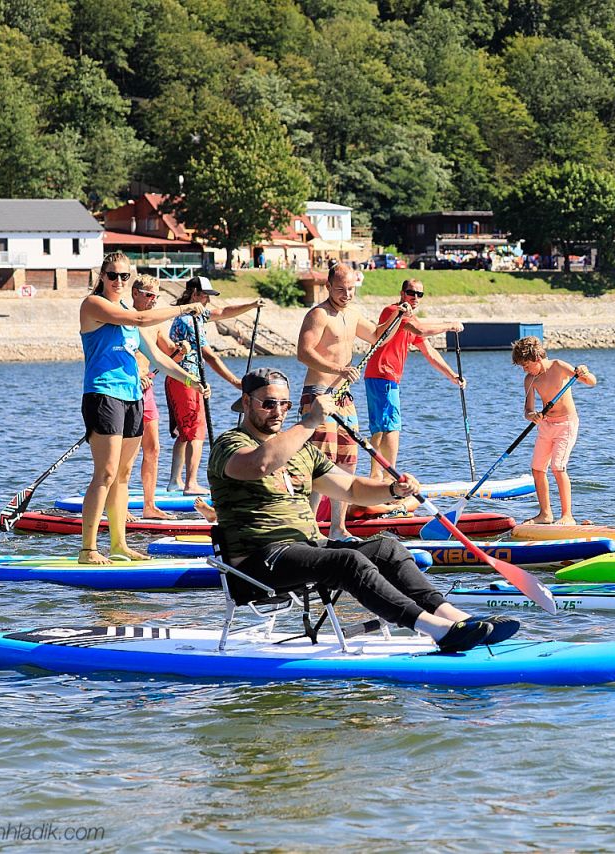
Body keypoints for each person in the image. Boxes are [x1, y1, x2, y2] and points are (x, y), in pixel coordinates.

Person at [208, 368, 519, 653]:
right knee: (347, 560)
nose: (277, 412)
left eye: (285, 405)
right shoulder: (229, 445)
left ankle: (457, 619)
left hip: (305, 552)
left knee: (387, 548)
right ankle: (434, 630)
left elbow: (352, 488)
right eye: (268, 404)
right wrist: (309, 421)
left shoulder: (301, 449)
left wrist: (392, 490)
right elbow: (259, 464)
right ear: (247, 403)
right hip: (257, 562)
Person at [78, 252, 208, 564]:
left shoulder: (126, 309)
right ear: (102, 276)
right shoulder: (93, 305)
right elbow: (138, 319)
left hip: (132, 396)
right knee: (105, 472)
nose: (119, 281)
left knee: (123, 475)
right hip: (103, 393)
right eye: (113, 276)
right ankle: (88, 549)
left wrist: (191, 380)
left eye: (125, 276)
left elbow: (158, 357)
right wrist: (184, 306)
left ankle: (119, 545)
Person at [296, 264, 391, 540]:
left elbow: (377, 336)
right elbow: (303, 353)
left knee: (347, 461)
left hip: (344, 398)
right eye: (340, 289)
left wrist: (399, 315)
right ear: (328, 287)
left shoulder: (352, 313)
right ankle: (310, 529)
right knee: (320, 462)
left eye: (350, 289)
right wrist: (338, 369)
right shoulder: (319, 314)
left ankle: (338, 528)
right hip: (319, 393)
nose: (346, 294)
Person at [165, 275, 262, 495]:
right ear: (195, 295)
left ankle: (175, 481)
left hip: (181, 381)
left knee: (185, 432)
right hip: (186, 380)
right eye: (206, 296)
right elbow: (210, 357)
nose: (209, 301)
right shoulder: (188, 321)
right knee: (197, 432)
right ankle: (190, 484)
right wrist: (235, 381)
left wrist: (251, 305)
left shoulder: (195, 314)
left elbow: (224, 312)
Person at [363, 278, 466, 480]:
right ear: (402, 293)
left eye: (420, 294)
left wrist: (452, 375)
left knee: (382, 427)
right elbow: (420, 329)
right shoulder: (393, 311)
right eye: (411, 293)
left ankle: (376, 477)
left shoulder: (411, 320)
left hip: (380, 377)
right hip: (383, 375)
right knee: (390, 426)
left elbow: (429, 352)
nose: (415, 297)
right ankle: (387, 478)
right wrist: (449, 325)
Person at [510, 336, 597, 526]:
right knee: (538, 468)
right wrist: (532, 415)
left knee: (558, 467)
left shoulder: (558, 366)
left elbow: (591, 382)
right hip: (546, 425)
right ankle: (545, 514)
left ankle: (568, 516)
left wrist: (584, 371)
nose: (525, 370)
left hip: (566, 424)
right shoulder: (530, 380)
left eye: (526, 365)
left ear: (537, 358)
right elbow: (528, 410)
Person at [129, 276, 173, 519]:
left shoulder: (155, 323)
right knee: (129, 452)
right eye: (149, 295)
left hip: (148, 392)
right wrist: (137, 376)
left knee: (153, 448)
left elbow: (168, 352)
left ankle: (149, 505)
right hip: (127, 391)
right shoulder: (124, 317)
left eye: (156, 296)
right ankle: (119, 505)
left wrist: (182, 348)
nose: (153, 301)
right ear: (135, 293)